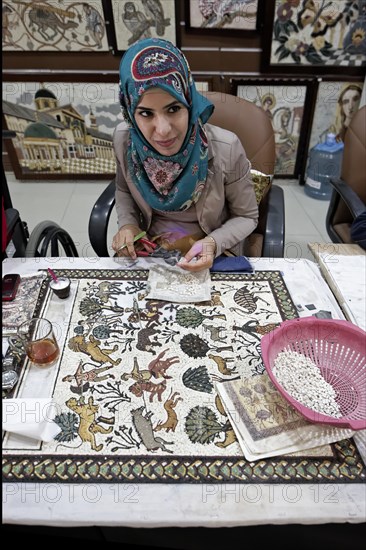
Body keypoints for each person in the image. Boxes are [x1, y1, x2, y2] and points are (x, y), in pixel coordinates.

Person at [111, 38, 258, 272]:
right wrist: (128, 224)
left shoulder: (226, 148)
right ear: (130, 112)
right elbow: (122, 189)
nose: (163, 130)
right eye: (146, 113)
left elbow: (247, 217)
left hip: (210, 250)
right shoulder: (124, 141)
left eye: (173, 109)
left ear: (189, 100)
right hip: (151, 249)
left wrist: (212, 243)